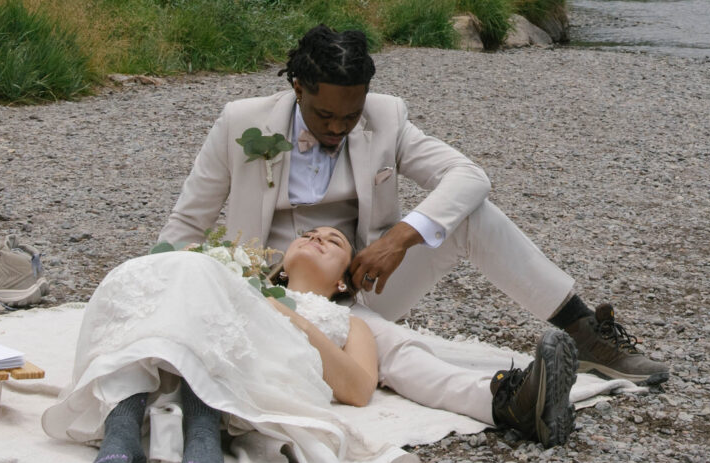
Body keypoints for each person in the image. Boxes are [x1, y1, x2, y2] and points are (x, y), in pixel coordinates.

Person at [158, 24, 670, 387]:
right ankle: (507, 397)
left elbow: (470, 176)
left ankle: (584, 333)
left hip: (360, 286)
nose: (338, 128)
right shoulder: (239, 123)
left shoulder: (386, 117)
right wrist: (153, 294)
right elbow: (188, 220)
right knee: (397, 362)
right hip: (266, 297)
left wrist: (399, 239)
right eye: (324, 115)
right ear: (297, 87)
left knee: (472, 214)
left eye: (350, 115)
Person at [43, 225, 578, 463]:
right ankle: (123, 424)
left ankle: (202, 426)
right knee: (162, 272)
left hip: (269, 359)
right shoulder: (230, 278)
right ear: (279, 261)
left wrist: (292, 318)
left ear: (347, 277)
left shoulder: (352, 322)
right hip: (189, 342)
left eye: (335, 240)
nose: (319, 237)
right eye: (309, 234)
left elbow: (357, 388)